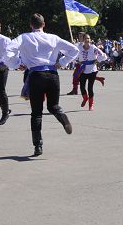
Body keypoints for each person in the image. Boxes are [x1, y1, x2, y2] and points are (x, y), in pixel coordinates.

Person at [4, 13, 78, 157]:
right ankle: (62, 116)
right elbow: (74, 50)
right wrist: (62, 62)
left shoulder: (24, 37)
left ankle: (38, 146)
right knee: (53, 106)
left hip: (35, 75)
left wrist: (17, 64)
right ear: (44, 25)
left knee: (36, 113)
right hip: (52, 74)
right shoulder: (53, 38)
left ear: (31, 25)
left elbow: (8, 51)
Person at [77, 33, 108, 111]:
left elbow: (104, 56)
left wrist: (97, 60)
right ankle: (85, 98)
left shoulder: (93, 48)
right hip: (83, 69)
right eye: (85, 38)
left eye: (88, 38)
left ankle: (91, 104)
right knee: (82, 87)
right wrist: (77, 61)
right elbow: (74, 54)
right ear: (83, 40)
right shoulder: (79, 47)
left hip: (92, 70)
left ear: (90, 40)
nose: (87, 40)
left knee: (90, 88)